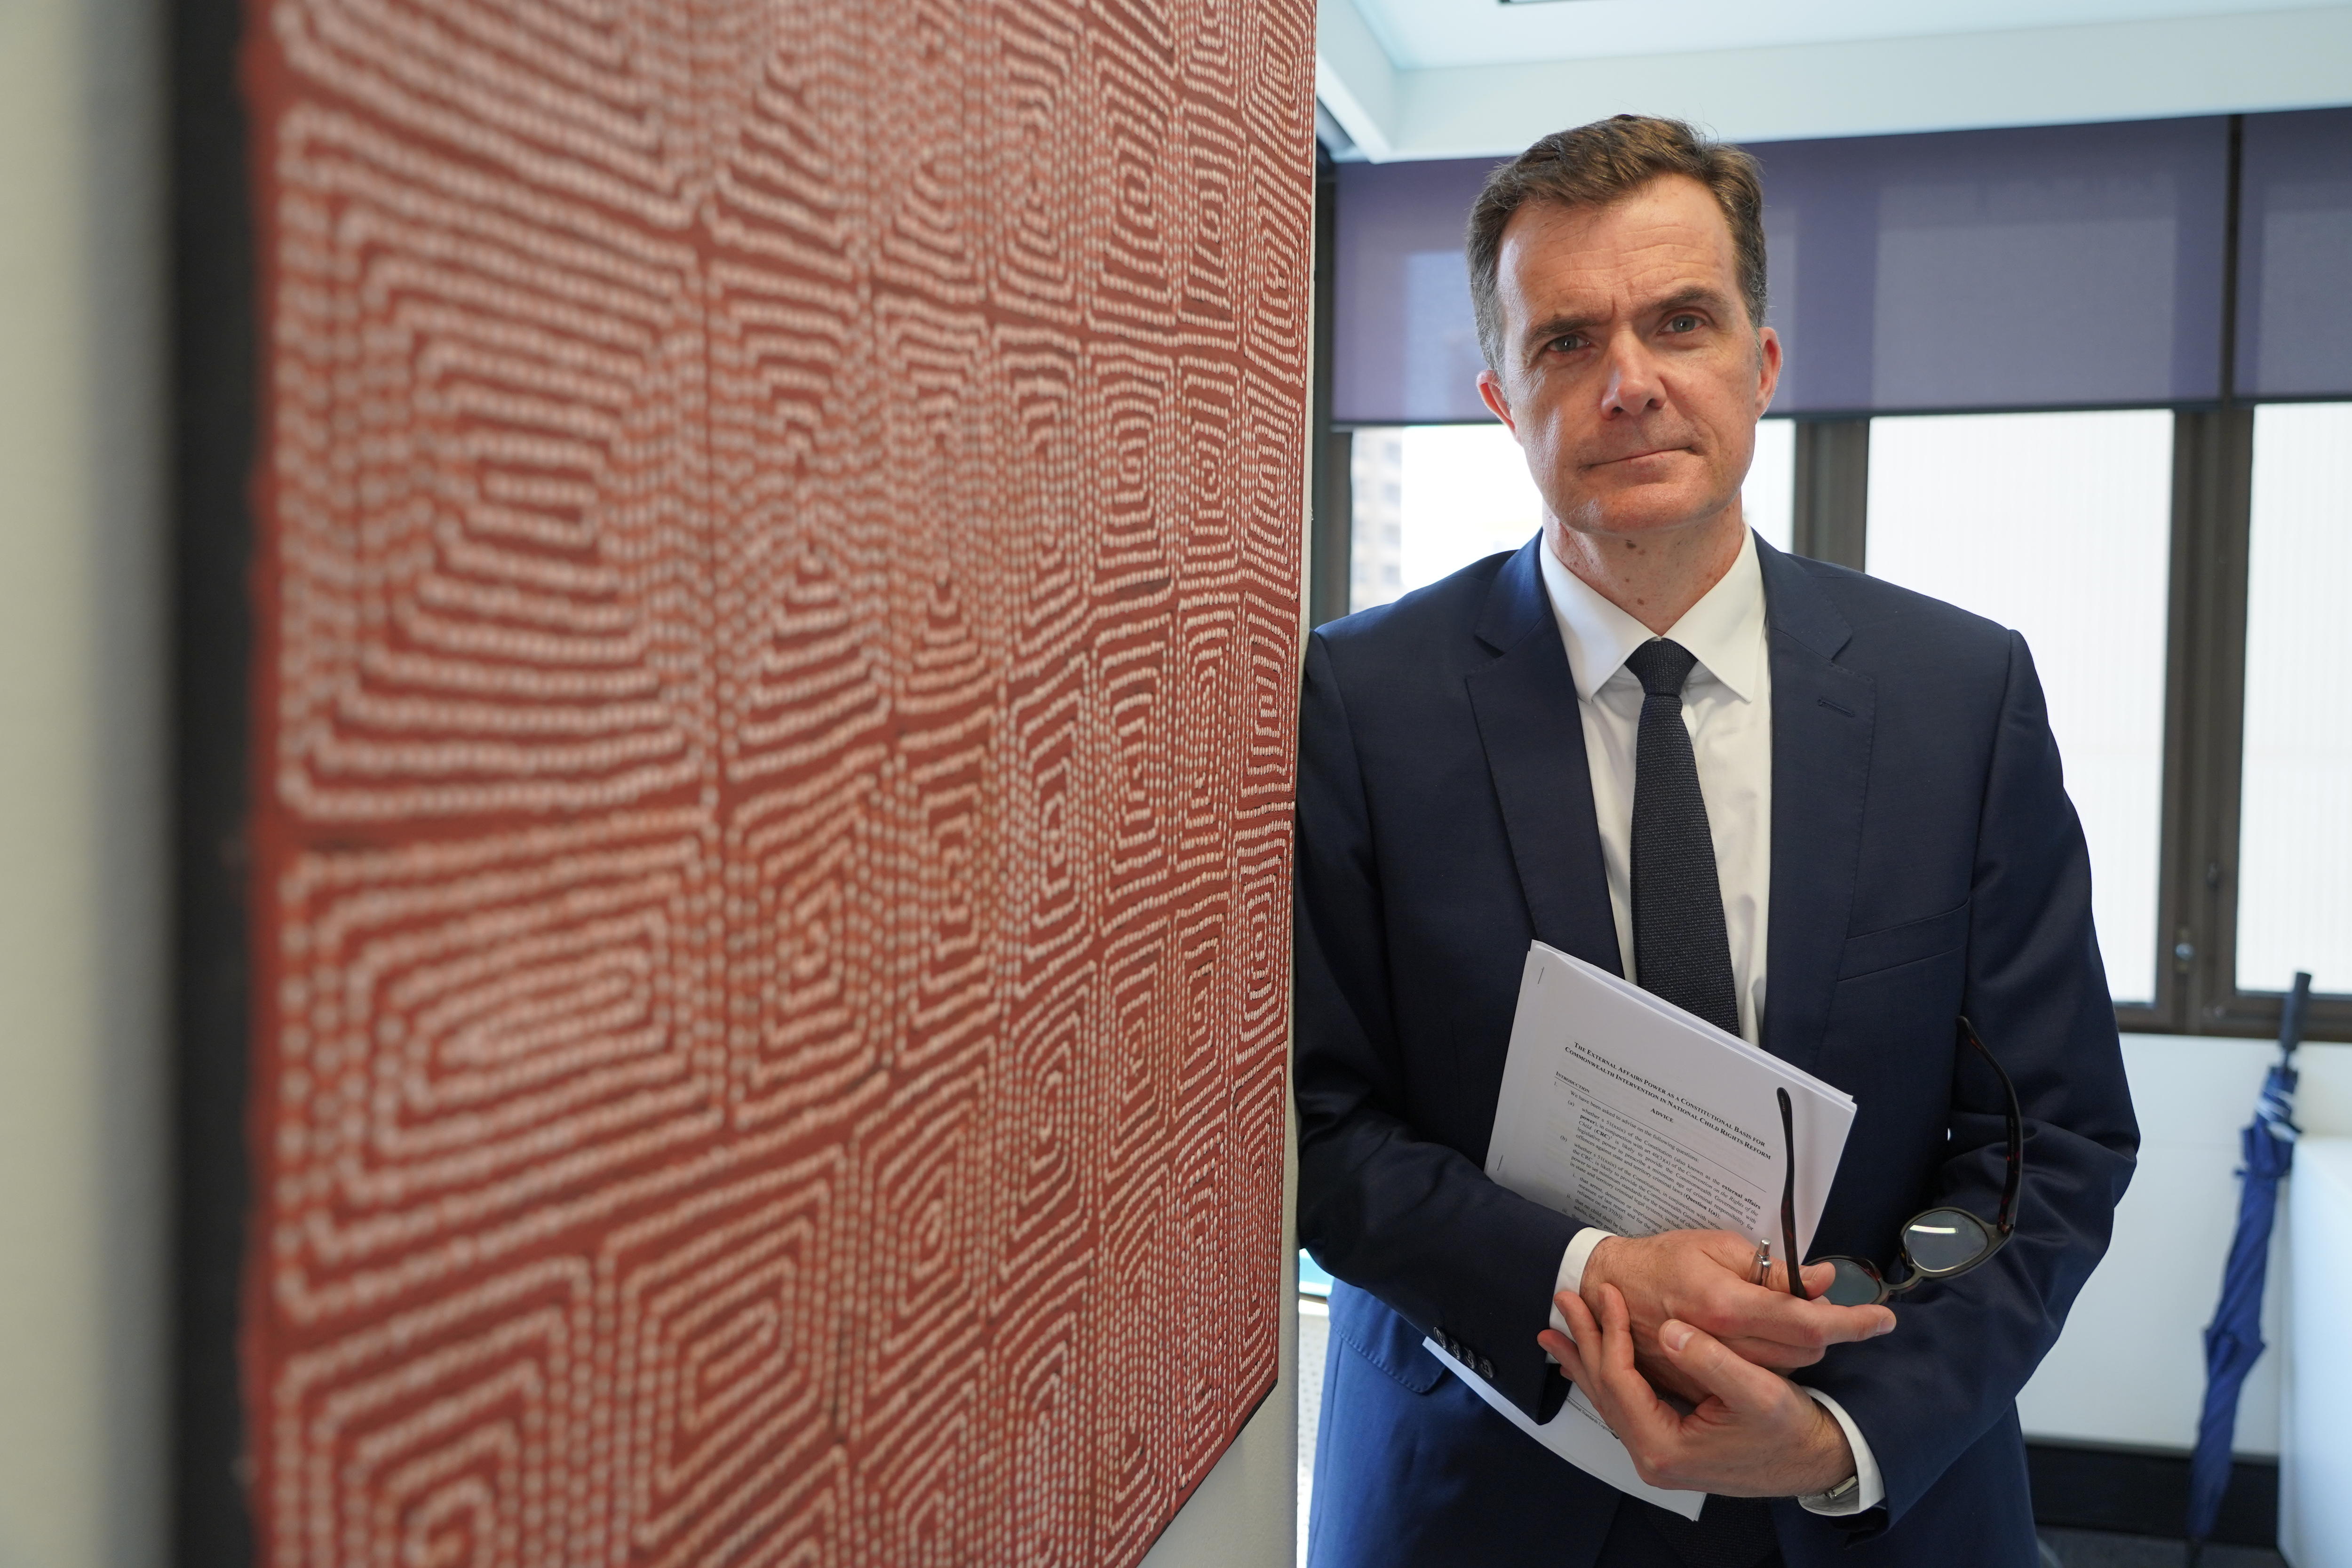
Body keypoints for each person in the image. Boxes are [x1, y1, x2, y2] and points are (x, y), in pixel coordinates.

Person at [1294, 115, 2140, 1568]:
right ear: (1501, 397)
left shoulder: (1960, 696)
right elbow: (1313, 1126)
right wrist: (1586, 1272)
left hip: (1877, 1488)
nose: (1631, 383)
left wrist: (1846, 1428)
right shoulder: (1357, 702)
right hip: (1480, 1488)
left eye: (1681, 322)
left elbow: (2047, 1141)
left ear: (1762, 363)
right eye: (1568, 342)